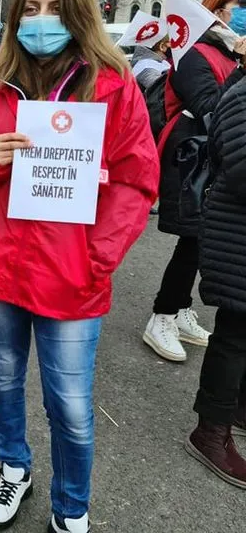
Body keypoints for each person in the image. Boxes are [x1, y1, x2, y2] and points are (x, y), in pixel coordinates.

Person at [0, 0, 159, 533]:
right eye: (30, 10)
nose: (41, 21)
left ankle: (71, 508)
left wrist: (97, 257)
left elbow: (138, 182)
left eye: (55, 9)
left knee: (71, 407)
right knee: (4, 381)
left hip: (71, 274)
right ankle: (15, 467)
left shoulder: (112, 87)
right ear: (15, 21)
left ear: (81, 14)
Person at [143, 0, 246, 363]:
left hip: (216, 161)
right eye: (242, 3)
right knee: (194, 238)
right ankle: (163, 315)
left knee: (202, 239)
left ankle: (181, 307)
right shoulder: (193, 55)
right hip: (191, 162)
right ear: (217, 10)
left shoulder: (231, 56)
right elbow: (212, 109)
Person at [187, 56, 246, 488]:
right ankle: (211, 431)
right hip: (237, 238)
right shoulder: (242, 94)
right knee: (233, 335)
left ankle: (238, 408)